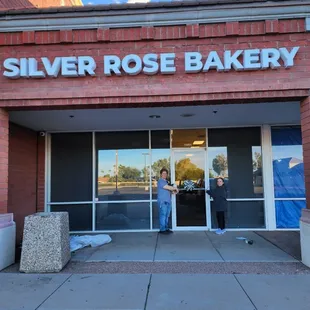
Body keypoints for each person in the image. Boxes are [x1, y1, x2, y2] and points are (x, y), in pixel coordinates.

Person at [157, 168, 178, 234]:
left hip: (168, 201)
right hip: (163, 202)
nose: (164, 174)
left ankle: (166, 228)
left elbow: (169, 191)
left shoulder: (166, 182)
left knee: (166, 216)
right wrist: (175, 188)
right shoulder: (161, 181)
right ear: (161, 174)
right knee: (163, 215)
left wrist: (174, 192)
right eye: (163, 173)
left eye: (166, 173)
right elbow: (167, 187)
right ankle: (162, 230)